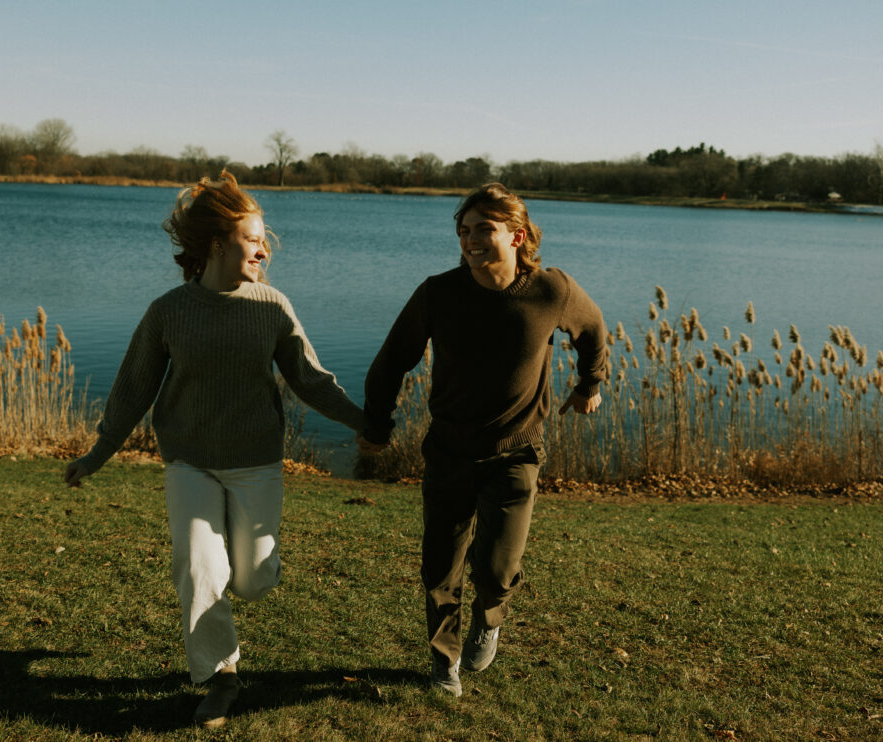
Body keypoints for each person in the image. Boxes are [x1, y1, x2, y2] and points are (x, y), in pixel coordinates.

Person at [64, 171, 365, 727]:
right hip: (190, 461)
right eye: (254, 238)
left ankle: (252, 569)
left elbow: (310, 379)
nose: (263, 248)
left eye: (263, 238)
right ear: (217, 244)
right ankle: (221, 675)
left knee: (251, 580)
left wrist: (363, 422)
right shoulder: (169, 311)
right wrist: (97, 454)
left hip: (255, 462)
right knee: (199, 566)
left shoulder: (272, 306)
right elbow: (134, 388)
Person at [360, 182, 608, 697]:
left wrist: (590, 384)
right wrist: (378, 426)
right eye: (463, 230)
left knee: (498, 568)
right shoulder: (439, 293)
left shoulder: (551, 290)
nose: (470, 240)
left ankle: (489, 618)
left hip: (517, 454)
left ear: (517, 236)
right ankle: (442, 659)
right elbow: (390, 361)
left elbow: (593, 329)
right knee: (440, 567)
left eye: (484, 230)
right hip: (448, 452)